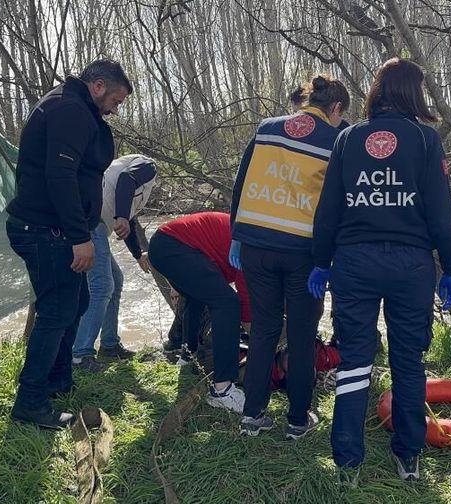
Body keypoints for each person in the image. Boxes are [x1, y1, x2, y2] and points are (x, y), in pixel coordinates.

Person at [310, 58, 451, 483]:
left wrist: (322, 263)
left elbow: (329, 211)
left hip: (354, 263)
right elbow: (440, 213)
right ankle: (408, 455)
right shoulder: (426, 140)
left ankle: (347, 463)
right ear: (414, 94)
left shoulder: (349, 138)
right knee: (408, 361)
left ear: (377, 91)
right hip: (411, 265)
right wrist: (448, 267)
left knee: (355, 360)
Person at [4, 59, 133, 429]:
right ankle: (30, 402)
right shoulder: (69, 110)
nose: (114, 109)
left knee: (76, 302)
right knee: (57, 312)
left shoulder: (73, 106)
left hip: (53, 228)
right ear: (97, 86)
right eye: (115, 100)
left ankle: (58, 381)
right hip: (46, 230)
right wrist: (79, 237)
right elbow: (59, 175)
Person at [230, 74, 350, 439]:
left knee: (263, 330)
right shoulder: (336, 140)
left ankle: (252, 415)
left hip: (255, 245)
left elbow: (242, 182)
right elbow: (336, 204)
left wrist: (236, 234)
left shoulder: (267, 128)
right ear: (336, 108)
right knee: (301, 335)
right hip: (302, 252)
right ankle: (298, 419)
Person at [148, 212, 252, 412]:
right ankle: (222, 390)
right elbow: (245, 303)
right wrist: (260, 340)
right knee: (228, 303)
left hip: (165, 242)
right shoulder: (253, 250)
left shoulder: (250, 234)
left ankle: (187, 355)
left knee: (196, 298)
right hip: (175, 244)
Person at [71, 154, 158, 370]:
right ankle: (80, 355)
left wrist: (138, 255)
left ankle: (109, 345)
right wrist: (120, 216)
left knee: (116, 280)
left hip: (93, 221)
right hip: (90, 221)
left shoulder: (130, 185)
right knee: (102, 285)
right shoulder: (148, 166)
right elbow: (127, 180)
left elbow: (127, 217)